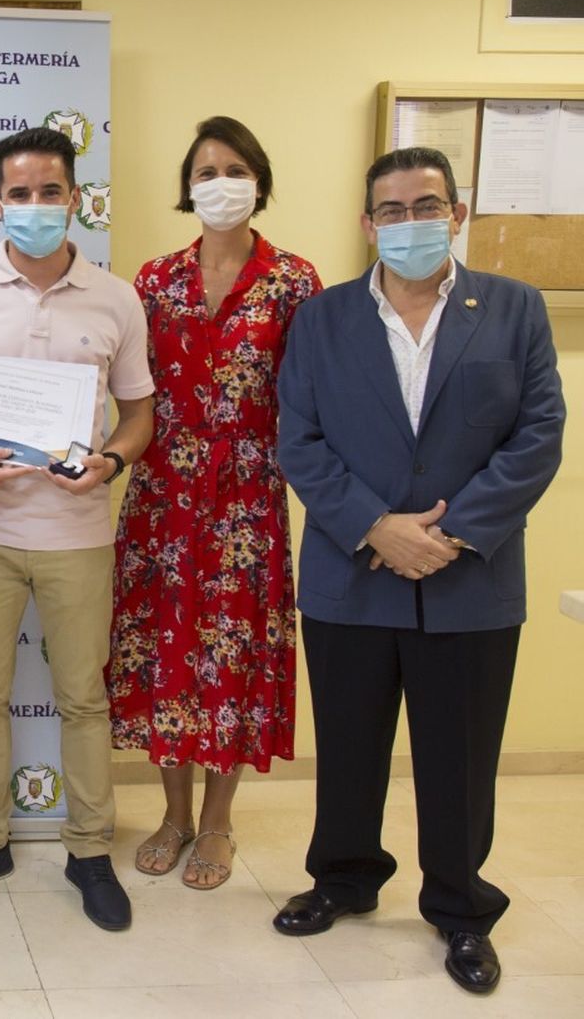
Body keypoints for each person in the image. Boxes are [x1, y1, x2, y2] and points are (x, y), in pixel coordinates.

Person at [274, 147, 564, 994]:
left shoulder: (512, 310)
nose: (410, 224)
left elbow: (538, 435)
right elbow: (301, 440)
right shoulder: (322, 319)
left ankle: (462, 909)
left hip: (469, 580)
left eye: (426, 205)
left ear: (457, 212)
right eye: (392, 211)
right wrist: (375, 526)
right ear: (368, 224)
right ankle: (344, 878)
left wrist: (454, 533)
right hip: (350, 573)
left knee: (460, 758)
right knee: (350, 746)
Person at [0, 127, 154, 932]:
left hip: (80, 532)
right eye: (19, 194)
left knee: (83, 696)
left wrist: (113, 464)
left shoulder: (117, 298)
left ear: (75, 198)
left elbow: (139, 412)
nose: (35, 207)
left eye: (50, 192)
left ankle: (89, 850)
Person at [107, 117, 322, 888]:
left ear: (259, 181)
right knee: (168, 651)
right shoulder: (153, 280)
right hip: (164, 493)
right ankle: (172, 813)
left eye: (235, 168)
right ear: (187, 186)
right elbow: (130, 388)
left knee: (232, 655)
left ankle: (219, 821)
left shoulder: (295, 281)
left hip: (247, 501)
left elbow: (311, 398)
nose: (220, 182)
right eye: (205, 170)